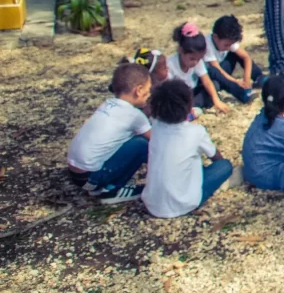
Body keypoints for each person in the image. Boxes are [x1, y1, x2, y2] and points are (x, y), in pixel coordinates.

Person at [142, 80, 234, 218]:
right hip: (184, 204)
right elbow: (216, 157)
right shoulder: (196, 131)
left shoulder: (155, 126)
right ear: (189, 106)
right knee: (225, 166)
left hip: (152, 203)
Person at [67, 63, 153, 204]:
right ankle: (113, 189)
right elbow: (156, 140)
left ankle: (101, 186)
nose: (149, 95)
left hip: (77, 176)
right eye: (148, 91)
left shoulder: (107, 104)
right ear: (139, 90)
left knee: (132, 140)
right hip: (92, 178)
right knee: (143, 144)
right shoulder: (135, 116)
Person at [167, 22, 230, 114]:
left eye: (199, 59)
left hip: (192, 92)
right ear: (181, 50)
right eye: (192, 59)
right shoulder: (170, 65)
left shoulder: (197, 61)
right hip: (178, 97)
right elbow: (169, 92)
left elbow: (206, 81)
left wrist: (217, 101)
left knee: (214, 85)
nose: (195, 62)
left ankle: (191, 108)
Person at [204, 15, 264, 105]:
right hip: (211, 75)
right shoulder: (207, 44)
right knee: (214, 74)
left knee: (235, 54)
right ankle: (240, 93)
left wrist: (246, 78)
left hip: (222, 69)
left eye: (230, 45)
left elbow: (246, 57)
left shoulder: (228, 41)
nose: (228, 47)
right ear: (215, 37)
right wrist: (235, 81)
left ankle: (258, 77)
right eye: (226, 45)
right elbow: (217, 69)